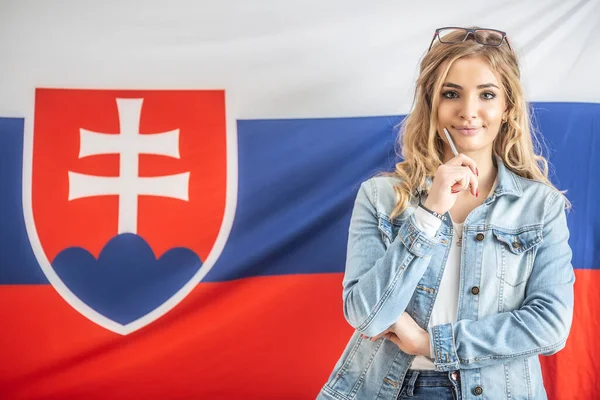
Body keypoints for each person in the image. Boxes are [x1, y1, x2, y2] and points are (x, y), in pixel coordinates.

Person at [316, 27, 575, 400]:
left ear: (507, 109)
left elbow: (550, 328)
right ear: (432, 105)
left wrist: (430, 342)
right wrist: (429, 212)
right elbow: (367, 316)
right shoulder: (380, 196)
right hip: (386, 389)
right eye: (451, 94)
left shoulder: (541, 207)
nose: (468, 111)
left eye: (487, 94)